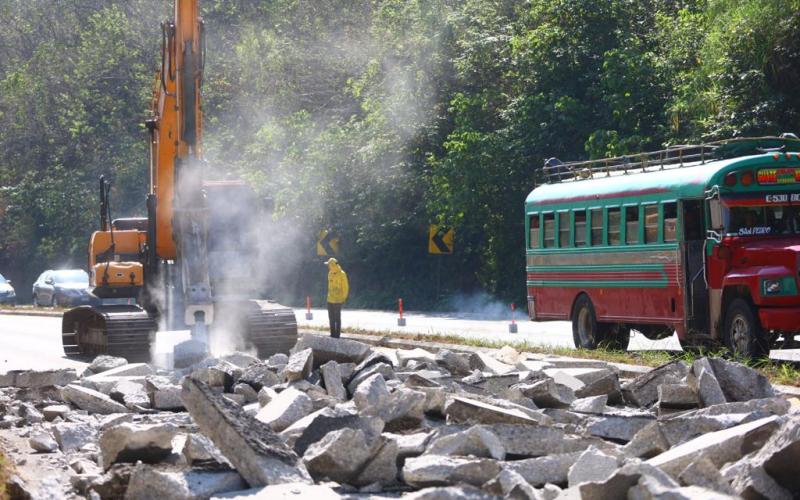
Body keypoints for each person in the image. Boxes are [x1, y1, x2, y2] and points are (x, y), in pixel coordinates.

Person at [325, 258, 349, 338]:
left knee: (337, 319)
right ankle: (332, 335)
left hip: (338, 300)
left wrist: (344, 298)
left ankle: (337, 335)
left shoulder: (342, 274)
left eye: (329, 265)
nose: (328, 266)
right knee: (331, 318)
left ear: (332, 265)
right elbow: (329, 287)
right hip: (330, 299)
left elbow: (345, 287)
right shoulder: (330, 273)